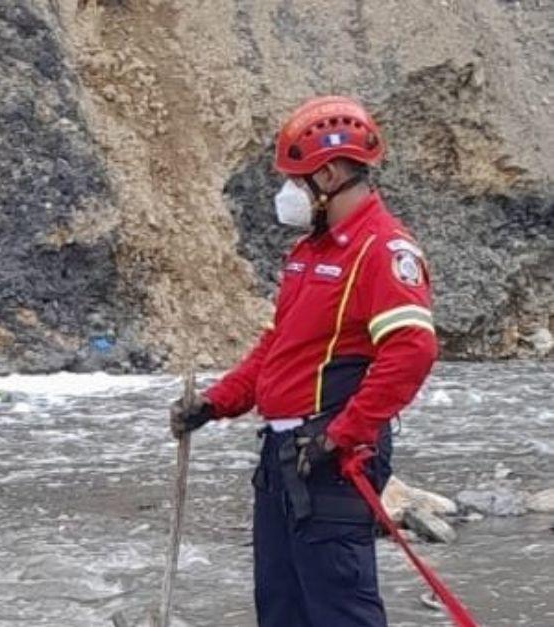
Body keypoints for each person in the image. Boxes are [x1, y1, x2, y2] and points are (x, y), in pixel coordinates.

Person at [170, 95, 438, 627]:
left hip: (332, 460)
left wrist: (343, 434)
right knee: (281, 607)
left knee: (340, 611)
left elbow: (412, 350)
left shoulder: (381, 250)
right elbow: (276, 349)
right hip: (282, 454)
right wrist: (214, 403)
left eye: (297, 179)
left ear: (332, 173)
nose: (288, 194)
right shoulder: (308, 254)